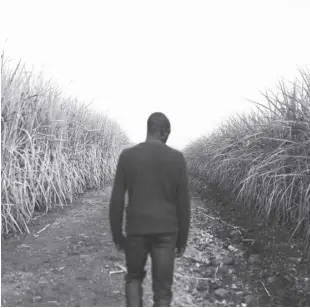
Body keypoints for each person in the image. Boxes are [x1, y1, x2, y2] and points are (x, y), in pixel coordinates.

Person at [109, 112, 191, 307]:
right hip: (166, 233)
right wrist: (182, 240)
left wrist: (117, 235)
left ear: (149, 130)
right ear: (164, 133)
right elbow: (184, 204)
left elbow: (117, 199)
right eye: (168, 134)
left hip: (136, 230)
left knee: (134, 278)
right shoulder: (177, 158)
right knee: (163, 290)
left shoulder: (128, 156)